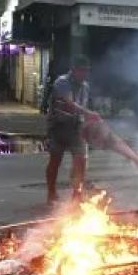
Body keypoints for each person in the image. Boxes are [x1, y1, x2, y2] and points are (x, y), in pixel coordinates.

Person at [45, 55, 99, 205]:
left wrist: (90, 123)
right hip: (58, 127)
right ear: (74, 70)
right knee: (55, 160)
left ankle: (77, 195)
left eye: (86, 71)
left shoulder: (85, 87)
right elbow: (69, 103)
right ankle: (51, 192)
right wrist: (88, 113)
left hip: (76, 128)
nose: (84, 74)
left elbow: (83, 107)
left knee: (81, 160)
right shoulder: (62, 82)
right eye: (82, 71)